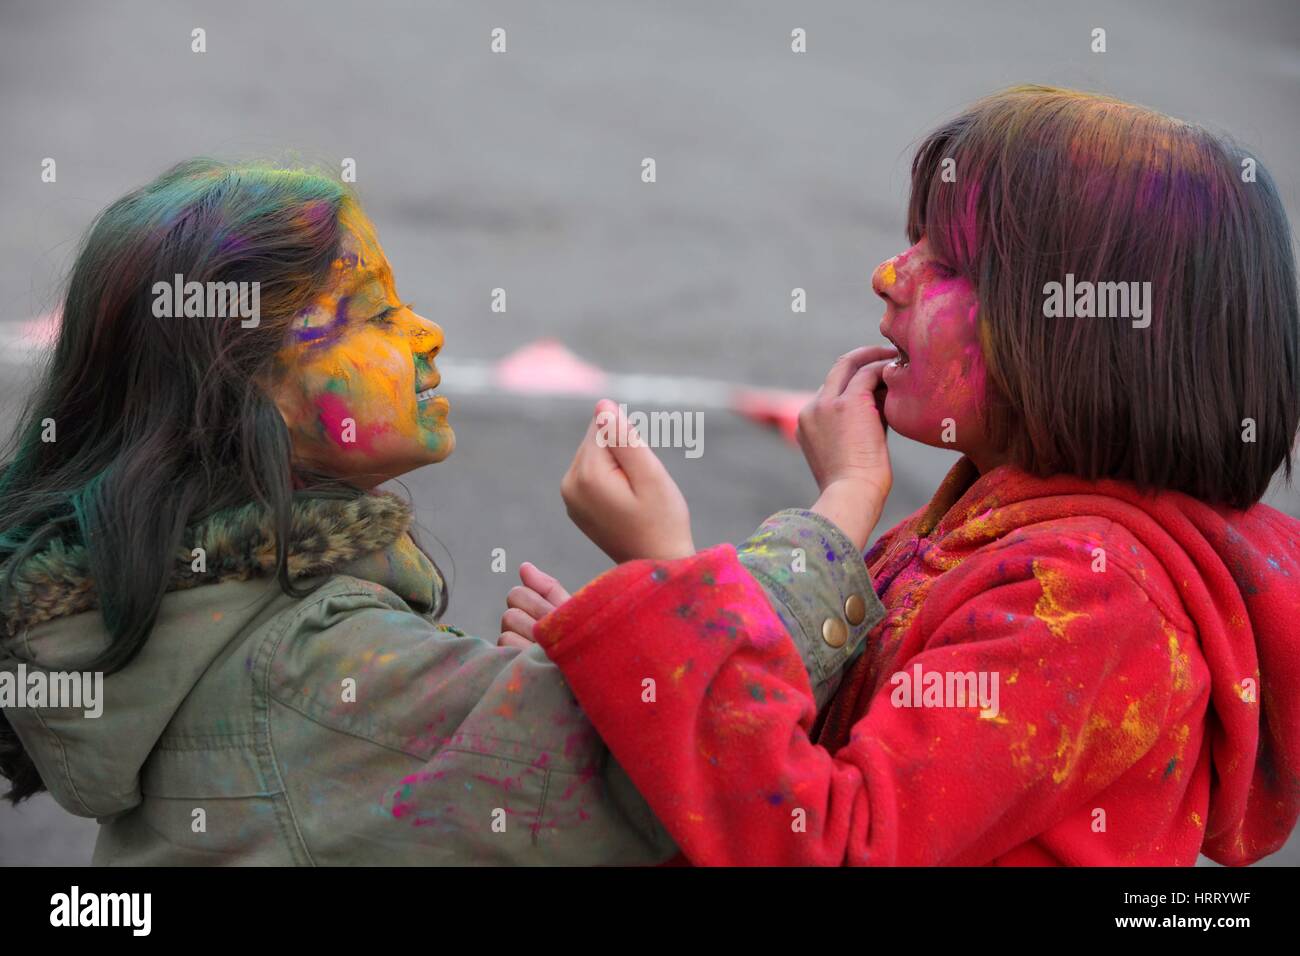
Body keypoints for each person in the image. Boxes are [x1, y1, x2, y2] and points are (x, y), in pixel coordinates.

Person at [0, 159, 873, 865]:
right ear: (248, 388)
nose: (427, 333)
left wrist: (547, 692)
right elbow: (664, 785)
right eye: (376, 314)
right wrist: (763, 541)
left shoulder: (193, 607)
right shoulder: (318, 674)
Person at [510, 87, 1300, 865]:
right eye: (912, 241)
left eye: (949, 262)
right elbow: (814, 741)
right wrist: (642, 661)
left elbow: (831, 843)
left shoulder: (1095, 605)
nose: (888, 274)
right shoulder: (986, 526)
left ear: (1085, 337)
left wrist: (674, 600)